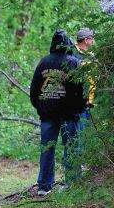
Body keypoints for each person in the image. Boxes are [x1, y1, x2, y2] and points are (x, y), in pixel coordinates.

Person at [30, 29, 86, 196]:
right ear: (68, 43)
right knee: (71, 148)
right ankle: (72, 183)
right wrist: (79, 110)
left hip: (48, 115)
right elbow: (81, 90)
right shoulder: (74, 62)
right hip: (69, 115)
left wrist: (41, 108)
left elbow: (34, 91)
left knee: (47, 148)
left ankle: (44, 186)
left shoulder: (43, 62)